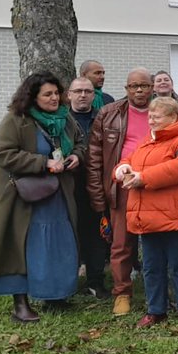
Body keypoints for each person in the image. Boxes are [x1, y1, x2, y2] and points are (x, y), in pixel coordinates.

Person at [0, 72, 84, 323]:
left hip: (57, 195)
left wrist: (76, 155)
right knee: (22, 246)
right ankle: (20, 304)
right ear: (33, 97)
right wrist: (43, 162)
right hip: (24, 197)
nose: (54, 98)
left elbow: (79, 142)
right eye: (47, 94)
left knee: (57, 243)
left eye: (56, 93)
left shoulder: (65, 118)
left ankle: (55, 295)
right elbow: (3, 153)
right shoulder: (16, 120)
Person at [113, 97, 178, 326]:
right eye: (150, 116)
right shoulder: (147, 141)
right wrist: (121, 167)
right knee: (151, 267)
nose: (151, 120)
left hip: (176, 216)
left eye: (157, 116)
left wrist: (144, 178)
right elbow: (131, 159)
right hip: (148, 216)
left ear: (173, 117)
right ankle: (156, 309)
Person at [87, 68, 155, 316]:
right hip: (121, 186)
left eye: (144, 86)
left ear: (152, 88)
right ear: (126, 89)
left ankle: (156, 290)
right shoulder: (108, 113)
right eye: (134, 86)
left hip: (153, 184)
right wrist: (98, 192)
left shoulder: (165, 111)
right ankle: (122, 293)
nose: (139, 90)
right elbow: (94, 156)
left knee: (155, 243)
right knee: (121, 244)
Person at [66, 76, 108, 298]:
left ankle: (96, 281)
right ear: (69, 94)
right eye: (78, 91)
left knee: (96, 235)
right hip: (68, 185)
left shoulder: (103, 118)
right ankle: (68, 281)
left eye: (88, 91)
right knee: (70, 234)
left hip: (96, 184)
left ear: (94, 95)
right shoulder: (61, 120)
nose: (83, 95)